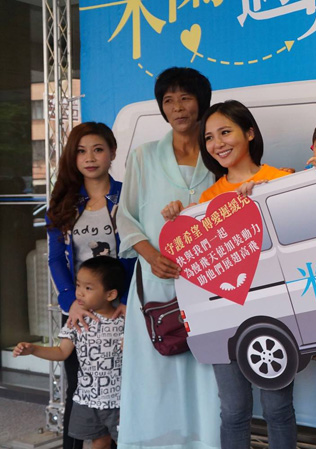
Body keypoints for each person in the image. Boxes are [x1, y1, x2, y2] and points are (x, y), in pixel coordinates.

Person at [162, 99, 296, 449]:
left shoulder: (281, 181)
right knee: (234, 410)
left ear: (249, 133)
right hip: (223, 316)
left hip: (273, 313)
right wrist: (179, 220)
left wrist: (262, 197)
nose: (217, 144)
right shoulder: (207, 200)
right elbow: (193, 265)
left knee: (278, 408)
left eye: (225, 132)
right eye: (209, 137)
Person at [116, 67, 221, 449]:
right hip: (156, 280)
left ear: (201, 102)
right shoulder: (143, 157)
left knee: (206, 370)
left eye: (185, 98)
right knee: (154, 372)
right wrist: (150, 256)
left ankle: (205, 441)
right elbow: (125, 215)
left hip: (208, 282)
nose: (177, 107)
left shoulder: (218, 153)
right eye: (168, 100)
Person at [45, 122, 135, 449]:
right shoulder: (64, 204)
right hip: (79, 310)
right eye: (81, 151)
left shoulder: (128, 196)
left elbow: (137, 253)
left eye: (98, 149)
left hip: (120, 309)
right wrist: (70, 300)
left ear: (112, 152)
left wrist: (126, 300)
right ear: (73, 157)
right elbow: (56, 259)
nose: (90, 158)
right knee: (80, 389)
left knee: (124, 389)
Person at [14, 256, 128, 449]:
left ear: (110, 295)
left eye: (88, 288)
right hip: (87, 398)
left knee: (127, 442)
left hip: (120, 400)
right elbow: (61, 352)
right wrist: (33, 349)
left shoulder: (125, 321)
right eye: (78, 285)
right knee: (99, 441)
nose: (79, 293)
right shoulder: (76, 321)